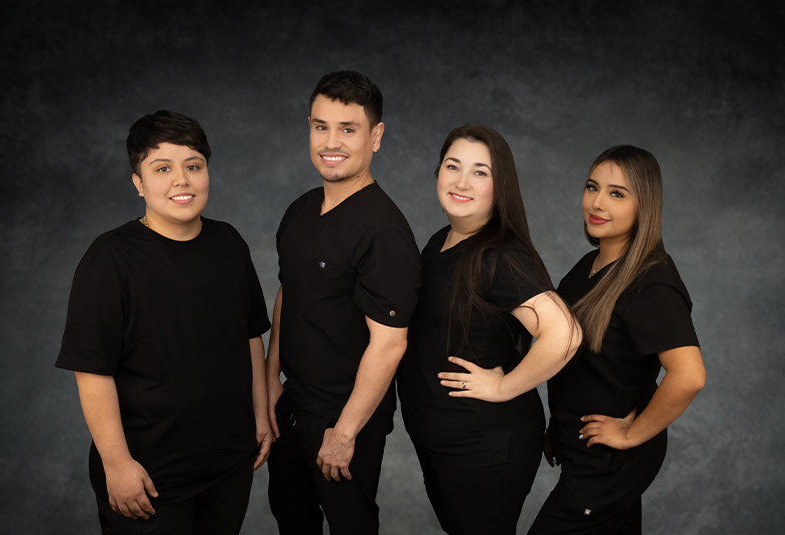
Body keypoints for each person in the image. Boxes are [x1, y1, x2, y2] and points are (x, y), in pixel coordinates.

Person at [56, 110, 272, 535]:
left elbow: (250, 337)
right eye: (162, 168)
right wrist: (117, 464)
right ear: (138, 183)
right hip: (149, 475)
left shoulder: (229, 243)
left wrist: (260, 414)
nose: (182, 180)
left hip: (228, 464)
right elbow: (92, 371)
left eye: (193, 166)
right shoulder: (110, 260)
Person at [397, 124, 581, 535]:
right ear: (437, 173)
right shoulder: (438, 242)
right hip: (441, 441)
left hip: (486, 443)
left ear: (501, 187)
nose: (462, 181)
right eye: (453, 166)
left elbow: (564, 334)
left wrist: (503, 387)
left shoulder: (500, 254)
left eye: (480, 172)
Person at [265, 70, 421, 535]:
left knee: (350, 526)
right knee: (291, 518)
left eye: (347, 129)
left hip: (345, 416)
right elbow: (287, 293)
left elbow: (391, 344)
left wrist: (346, 432)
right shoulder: (301, 208)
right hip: (292, 403)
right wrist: (272, 378)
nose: (330, 142)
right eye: (320, 126)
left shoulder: (383, 231)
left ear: (375, 137)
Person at [528, 145, 706, 534]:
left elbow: (689, 375)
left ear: (644, 206)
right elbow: (585, 362)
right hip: (583, 450)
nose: (597, 202)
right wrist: (560, 429)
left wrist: (630, 433)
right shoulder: (588, 266)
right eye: (593, 187)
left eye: (617, 193)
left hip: (610, 462)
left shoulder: (651, 281)